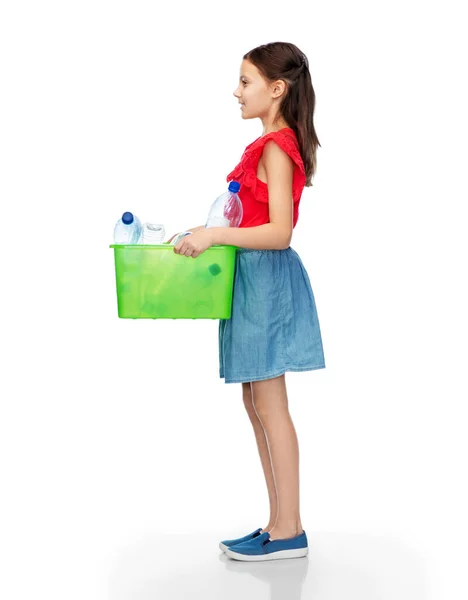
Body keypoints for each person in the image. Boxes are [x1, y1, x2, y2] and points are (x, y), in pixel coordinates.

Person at [173, 41, 326, 561]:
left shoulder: (278, 147)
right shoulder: (265, 145)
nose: (236, 92)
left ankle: (290, 532)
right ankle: (278, 522)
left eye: (245, 81)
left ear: (276, 88)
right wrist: (208, 230)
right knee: (255, 400)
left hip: (268, 281)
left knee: (271, 404)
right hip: (251, 280)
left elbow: (280, 232)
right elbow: (248, 217)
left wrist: (215, 237)